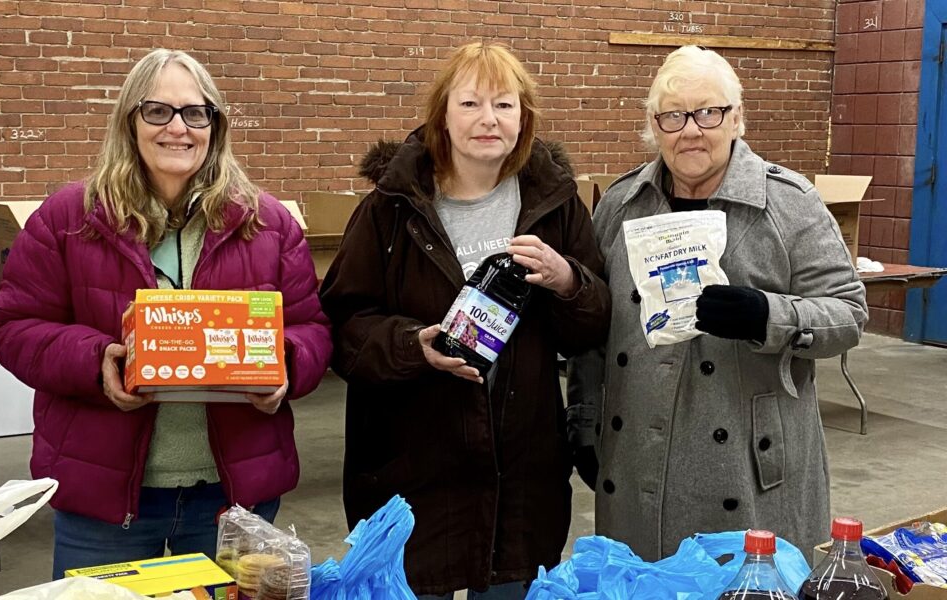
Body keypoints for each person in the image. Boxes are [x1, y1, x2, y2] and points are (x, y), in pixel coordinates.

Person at [0, 49, 332, 578]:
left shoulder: (266, 223)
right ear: (130, 120)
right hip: (104, 498)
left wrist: (284, 363)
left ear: (215, 125)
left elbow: (312, 328)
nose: (178, 128)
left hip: (233, 496)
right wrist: (96, 362)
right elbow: (13, 326)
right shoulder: (69, 218)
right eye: (157, 111)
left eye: (195, 113)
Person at [319, 42, 610, 598]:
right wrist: (413, 345)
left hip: (520, 477)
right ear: (443, 116)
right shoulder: (391, 207)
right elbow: (343, 323)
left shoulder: (555, 205)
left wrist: (568, 281)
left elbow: (592, 328)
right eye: (471, 103)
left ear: (523, 118)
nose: (488, 119)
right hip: (413, 472)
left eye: (504, 105)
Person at [567, 45, 868, 561]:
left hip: (749, 471)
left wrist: (768, 315)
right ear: (654, 125)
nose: (690, 130)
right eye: (673, 116)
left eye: (708, 112)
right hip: (637, 460)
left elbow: (849, 314)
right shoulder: (621, 205)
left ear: (736, 118)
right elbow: (593, 327)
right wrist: (583, 420)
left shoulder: (788, 204)